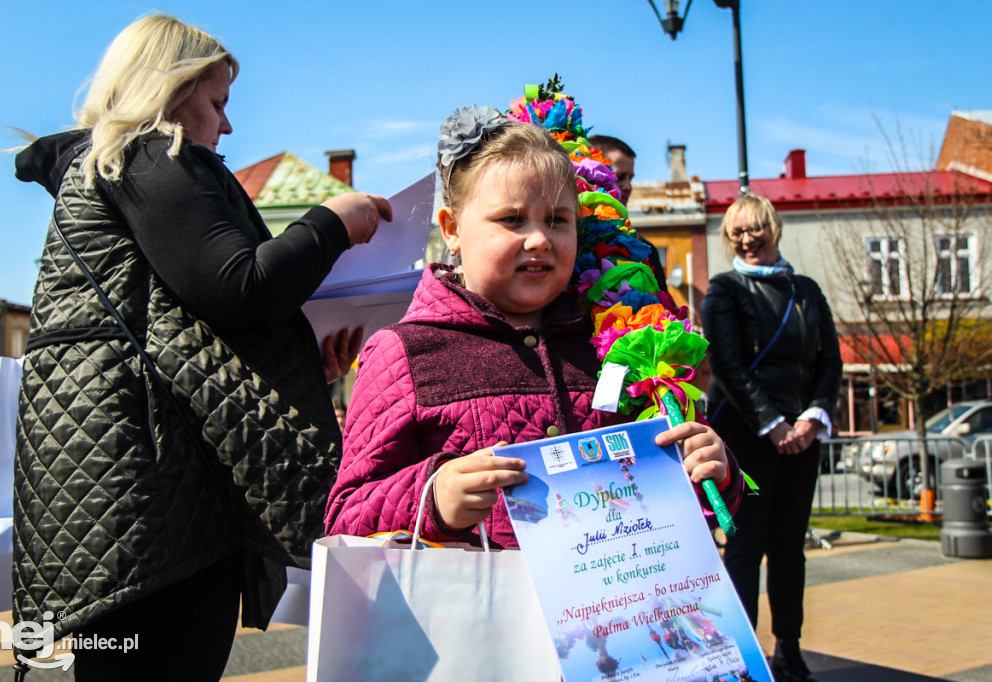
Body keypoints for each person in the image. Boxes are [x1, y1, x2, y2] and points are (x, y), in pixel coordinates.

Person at [12, 14, 390, 681]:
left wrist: (308, 359)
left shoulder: (109, 166)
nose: (227, 125)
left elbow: (184, 322)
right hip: (154, 486)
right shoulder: (151, 151)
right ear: (170, 88)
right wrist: (334, 222)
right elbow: (238, 289)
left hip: (117, 483)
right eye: (217, 103)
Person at [324, 108, 741, 548]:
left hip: (617, 608)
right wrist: (435, 497)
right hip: (481, 612)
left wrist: (715, 472)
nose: (539, 238)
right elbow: (344, 514)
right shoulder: (404, 353)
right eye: (513, 219)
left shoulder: (621, 342)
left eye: (558, 220)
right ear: (452, 229)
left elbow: (681, 498)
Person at [699, 193, 841, 682]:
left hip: (803, 434)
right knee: (744, 546)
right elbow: (727, 364)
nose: (747, 238)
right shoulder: (725, 290)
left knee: (788, 547)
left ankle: (789, 647)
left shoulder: (807, 290)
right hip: (746, 433)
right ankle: (742, 655)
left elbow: (829, 362)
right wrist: (771, 422)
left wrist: (810, 417)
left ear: (773, 227)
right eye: (737, 231)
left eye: (755, 227)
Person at [587, 134, 667, 292]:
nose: (628, 187)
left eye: (631, 178)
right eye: (620, 177)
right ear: (591, 175)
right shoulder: (569, 243)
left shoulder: (644, 250)